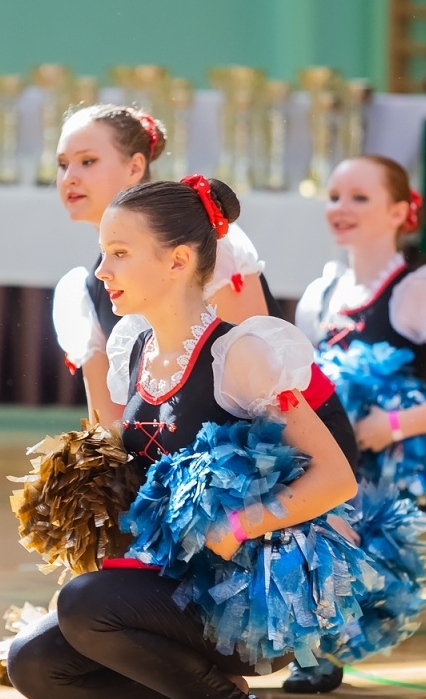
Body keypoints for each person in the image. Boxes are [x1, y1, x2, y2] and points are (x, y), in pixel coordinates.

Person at [7, 177, 359, 699]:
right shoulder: (134, 349)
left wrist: (240, 523)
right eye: (102, 252)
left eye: (119, 252)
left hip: (245, 597)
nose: (102, 269)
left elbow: (337, 477)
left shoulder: (240, 355)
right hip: (173, 586)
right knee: (34, 666)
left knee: (86, 606)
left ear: (178, 261)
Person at [288, 155, 426, 693]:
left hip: (393, 469)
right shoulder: (322, 293)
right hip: (334, 455)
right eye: (335, 196)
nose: (342, 208)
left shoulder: (418, 289)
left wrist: (392, 425)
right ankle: (307, 644)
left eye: (360, 197)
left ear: (401, 212)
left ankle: (323, 647)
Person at [51, 102, 359, 461]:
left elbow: (256, 390)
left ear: (135, 165)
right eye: (61, 164)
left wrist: (228, 514)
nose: (70, 176)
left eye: (87, 161)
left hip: (284, 452)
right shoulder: (90, 287)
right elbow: (110, 429)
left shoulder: (208, 247)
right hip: (191, 468)